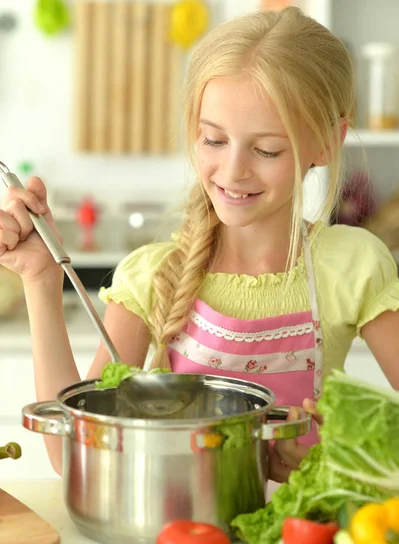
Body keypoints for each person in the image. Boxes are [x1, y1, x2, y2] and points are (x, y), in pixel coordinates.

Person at [1, 7, 399, 482]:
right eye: (213, 140)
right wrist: (43, 281)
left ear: (327, 143)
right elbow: (74, 460)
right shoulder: (151, 278)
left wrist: (336, 463)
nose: (233, 171)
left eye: (267, 149)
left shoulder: (352, 266)